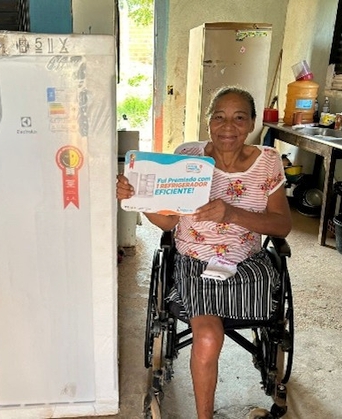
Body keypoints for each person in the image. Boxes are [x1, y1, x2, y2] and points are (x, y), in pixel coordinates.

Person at [116, 86, 292, 419]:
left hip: (247, 265)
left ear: (253, 122)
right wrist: (134, 197)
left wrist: (232, 214)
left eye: (240, 118)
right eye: (220, 117)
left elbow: (281, 225)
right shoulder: (189, 157)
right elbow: (168, 224)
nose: (229, 126)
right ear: (209, 122)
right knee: (209, 337)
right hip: (195, 262)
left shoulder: (268, 162)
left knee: (265, 308)